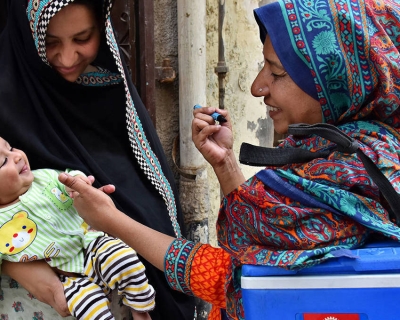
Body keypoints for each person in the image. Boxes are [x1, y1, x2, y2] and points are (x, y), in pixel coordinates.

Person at [57, 0, 400, 319]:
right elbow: (260, 233)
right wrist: (225, 165)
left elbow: (230, 275)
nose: (257, 87)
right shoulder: (376, 145)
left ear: (336, 81)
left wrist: (111, 220)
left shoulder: (338, 175)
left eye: (276, 73)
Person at [0, 0, 195, 319]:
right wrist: (40, 280)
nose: (66, 58)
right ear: (30, 35)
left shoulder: (110, 90)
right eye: (50, 42)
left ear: (103, 29)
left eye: (82, 38)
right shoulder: (7, 98)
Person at [0, 136, 155, 320]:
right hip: (64, 275)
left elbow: (70, 179)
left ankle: (141, 310)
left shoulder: (44, 177)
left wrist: (80, 183)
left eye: (11, 148)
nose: (16, 156)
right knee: (88, 308)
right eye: (3, 161)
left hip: (92, 244)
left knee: (125, 258)